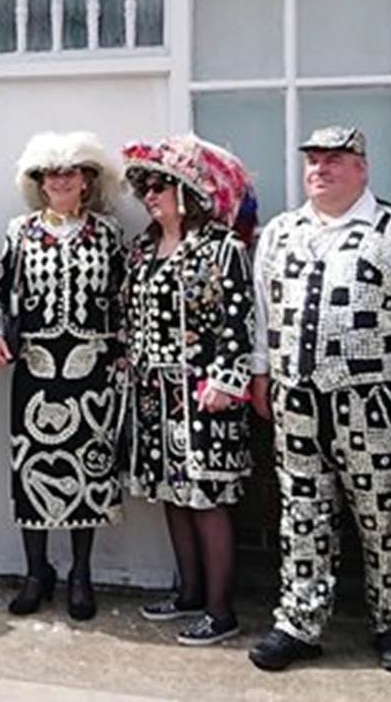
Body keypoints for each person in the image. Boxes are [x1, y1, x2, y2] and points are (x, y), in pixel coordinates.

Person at [246, 125, 391, 676]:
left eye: (334, 160)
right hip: (296, 398)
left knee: (384, 511)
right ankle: (299, 621)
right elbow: (264, 312)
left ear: (362, 167)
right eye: (313, 160)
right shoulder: (282, 231)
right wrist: (262, 373)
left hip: (375, 398)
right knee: (301, 510)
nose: (320, 169)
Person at [120, 135, 258, 647]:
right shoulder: (141, 248)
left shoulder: (223, 248)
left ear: (188, 192)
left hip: (203, 394)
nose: (151, 196)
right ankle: (189, 594)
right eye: (147, 189)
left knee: (206, 496)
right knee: (171, 495)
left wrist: (226, 380)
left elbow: (238, 321)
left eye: (161, 186)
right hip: (154, 393)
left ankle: (222, 612)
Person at [0, 131, 125, 622]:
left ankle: (80, 573)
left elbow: (124, 299)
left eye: (70, 173)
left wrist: (123, 352)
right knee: (32, 465)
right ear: (39, 183)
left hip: (92, 367)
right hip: (37, 368)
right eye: (51, 174)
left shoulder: (108, 233)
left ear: (87, 180)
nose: (60, 182)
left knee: (88, 466)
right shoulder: (19, 232)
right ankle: (36, 572)